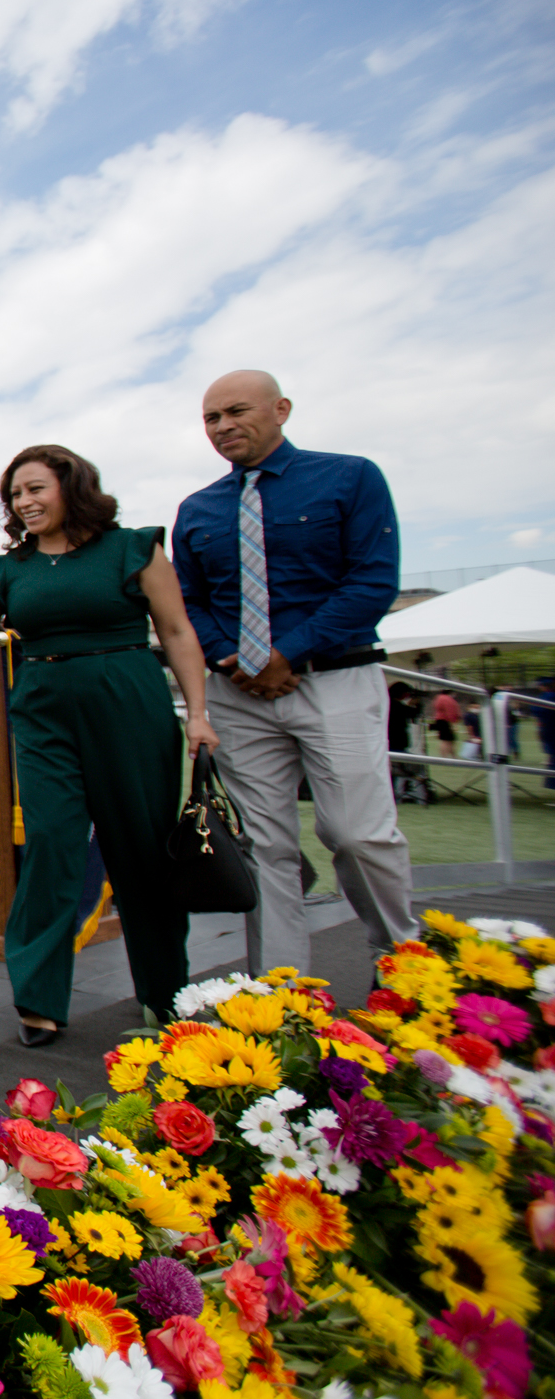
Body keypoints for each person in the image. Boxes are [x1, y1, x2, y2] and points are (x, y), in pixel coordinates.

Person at [0, 446, 218, 1041]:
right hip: (42, 711)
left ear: (72, 487)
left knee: (142, 849)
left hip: (130, 703)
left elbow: (175, 631)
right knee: (50, 843)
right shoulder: (8, 569)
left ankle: (166, 994)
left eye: (35, 489)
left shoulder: (134, 547)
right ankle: (38, 997)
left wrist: (198, 715)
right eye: (15, 495)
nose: (24, 502)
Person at [172, 368, 417, 975]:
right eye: (211, 418)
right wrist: (237, 659)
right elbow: (188, 603)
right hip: (240, 694)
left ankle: (406, 967)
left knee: (359, 834)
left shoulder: (349, 477)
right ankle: (280, 992)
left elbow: (372, 581)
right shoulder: (197, 508)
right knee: (265, 847)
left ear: (281, 409)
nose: (223, 426)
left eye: (236, 412)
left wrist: (289, 653)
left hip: (334, 679)